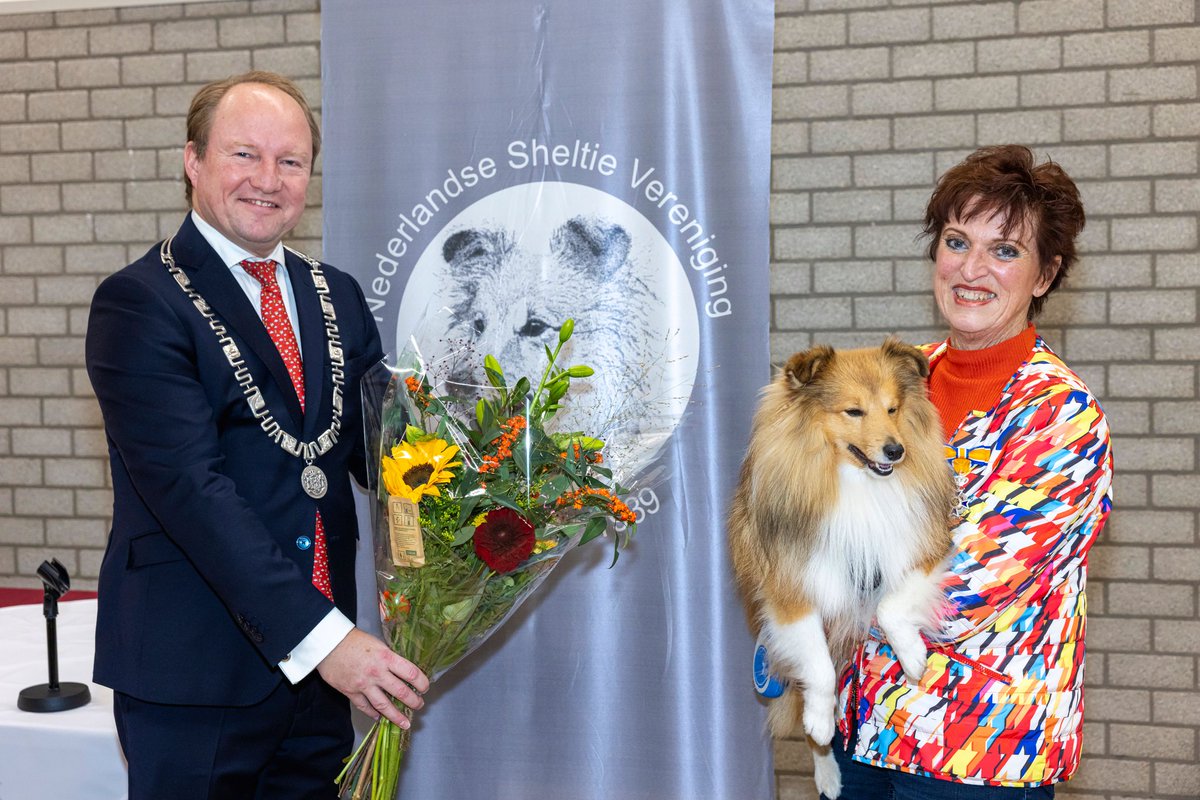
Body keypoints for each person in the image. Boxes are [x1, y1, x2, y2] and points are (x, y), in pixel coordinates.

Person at [85, 71, 429, 799]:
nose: (268, 180)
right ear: (193, 160)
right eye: (244, 154)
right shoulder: (138, 304)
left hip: (318, 684)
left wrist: (490, 481)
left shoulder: (337, 294)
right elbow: (192, 494)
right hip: (196, 675)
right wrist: (328, 641)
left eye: (290, 161)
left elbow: (387, 458)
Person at [824, 145, 1113, 798]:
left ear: (1045, 275)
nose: (972, 269)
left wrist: (817, 587)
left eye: (1004, 250)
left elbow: (960, 585)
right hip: (859, 731)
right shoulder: (894, 380)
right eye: (957, 241)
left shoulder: (1060, 416)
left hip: (977, 749)